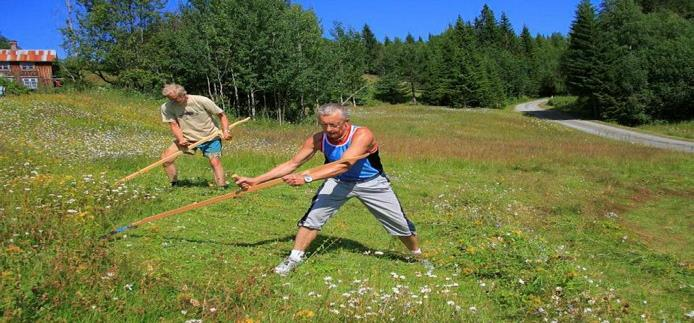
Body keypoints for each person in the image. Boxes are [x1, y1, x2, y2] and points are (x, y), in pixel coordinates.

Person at [235, 103, 431, 275]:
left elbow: (345, 164)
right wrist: (256, 180)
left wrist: (308, 177)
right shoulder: (319, 139)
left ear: (346, 122)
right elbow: (292, 163)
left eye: (333, 125)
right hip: (337, 181)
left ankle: (419, 256)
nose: (328, 129)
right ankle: (294, 259)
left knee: (400, 226)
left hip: (371, 183)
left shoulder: (362, 134)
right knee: (312, 218)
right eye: (324, 125)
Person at [160, 83, 231, 188]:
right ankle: (175, 184)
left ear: (183, 94)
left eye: (175, 99)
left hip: (210, 136)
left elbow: (221, 114)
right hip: (188, 138)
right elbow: (174, 125)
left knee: (214, 161)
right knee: (166, 159)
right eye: (170, 99)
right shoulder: (166, 107)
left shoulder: (201, 100)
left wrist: (226, 131)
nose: (173, 102)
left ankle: (222, 187)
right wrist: (181, 139)